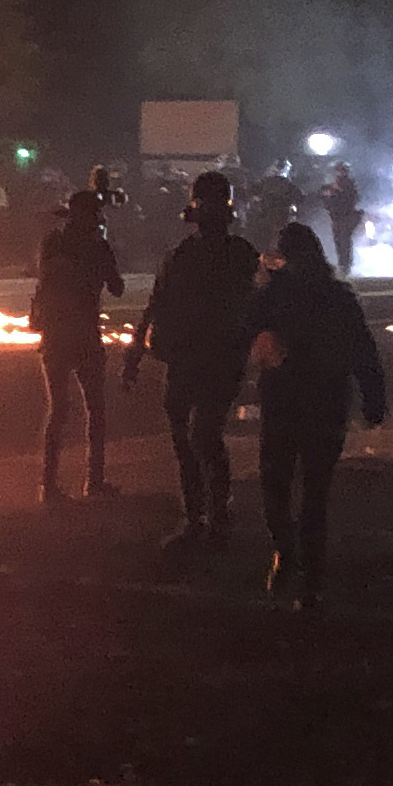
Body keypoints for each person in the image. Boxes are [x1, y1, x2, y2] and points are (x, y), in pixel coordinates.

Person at [247, 222, 388, 610]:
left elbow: (249, 330)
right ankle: (307, 573)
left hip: (291, 401)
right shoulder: (333, 295)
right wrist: (373, 398)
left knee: (279, 484)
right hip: (322, 401)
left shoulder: (279, 294)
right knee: (312, 492)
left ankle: (290, 556)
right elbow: (364, 350)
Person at [127, 169, 262, 550]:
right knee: (192, 435)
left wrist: (136, 352)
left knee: (200, 434)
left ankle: (211, 514)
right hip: (197, 357)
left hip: (211, 357)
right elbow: (157, 305)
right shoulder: (222, 255)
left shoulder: (231, 255)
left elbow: (259, 306)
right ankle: (203, 514)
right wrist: (136, 351)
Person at [29, 186, 124, 504]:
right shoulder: (96, 246)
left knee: (58, 409)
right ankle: (93, 481)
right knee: (94, 409)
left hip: (57, 333)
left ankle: (49, 485)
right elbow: (117, 288)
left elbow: (45, 278)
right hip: (82, 332)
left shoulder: (53, 242)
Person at [318, 160, 363, 270]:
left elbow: (352, 198)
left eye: (342, 170)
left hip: (346, 215)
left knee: (344, 240)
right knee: (338, 240)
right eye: (338, 170)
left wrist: (337, 191)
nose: (340, 173)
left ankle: (345, 264)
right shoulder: (332, 184)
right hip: (336, 216)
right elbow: (324, 196)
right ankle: (342, 263)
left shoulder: (349, 184)